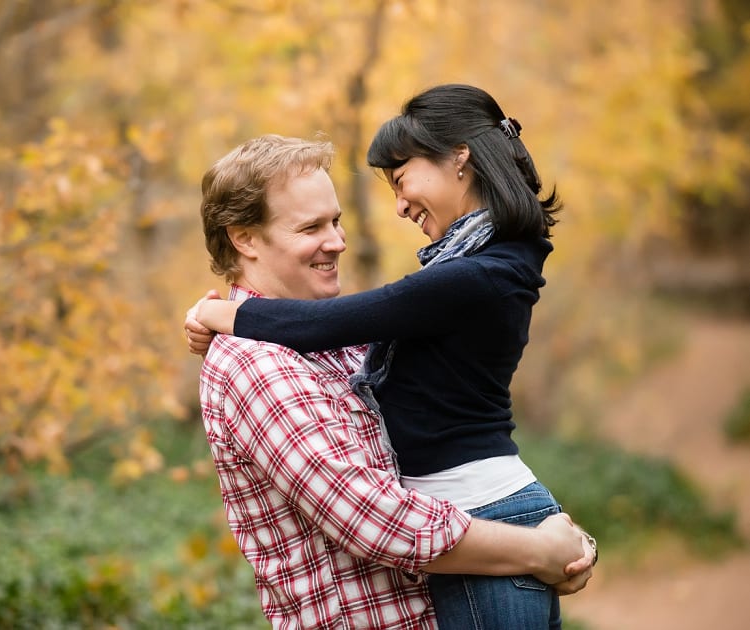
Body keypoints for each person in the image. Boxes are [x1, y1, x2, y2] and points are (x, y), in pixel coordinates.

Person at [187, 131, 594, 629]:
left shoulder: (336, 344)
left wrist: (559, 540)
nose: (336, 242)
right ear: (244, 238)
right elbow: (374, 519)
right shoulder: (256, 365)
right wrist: (537, 550)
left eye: (336, 221)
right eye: (310, 227)